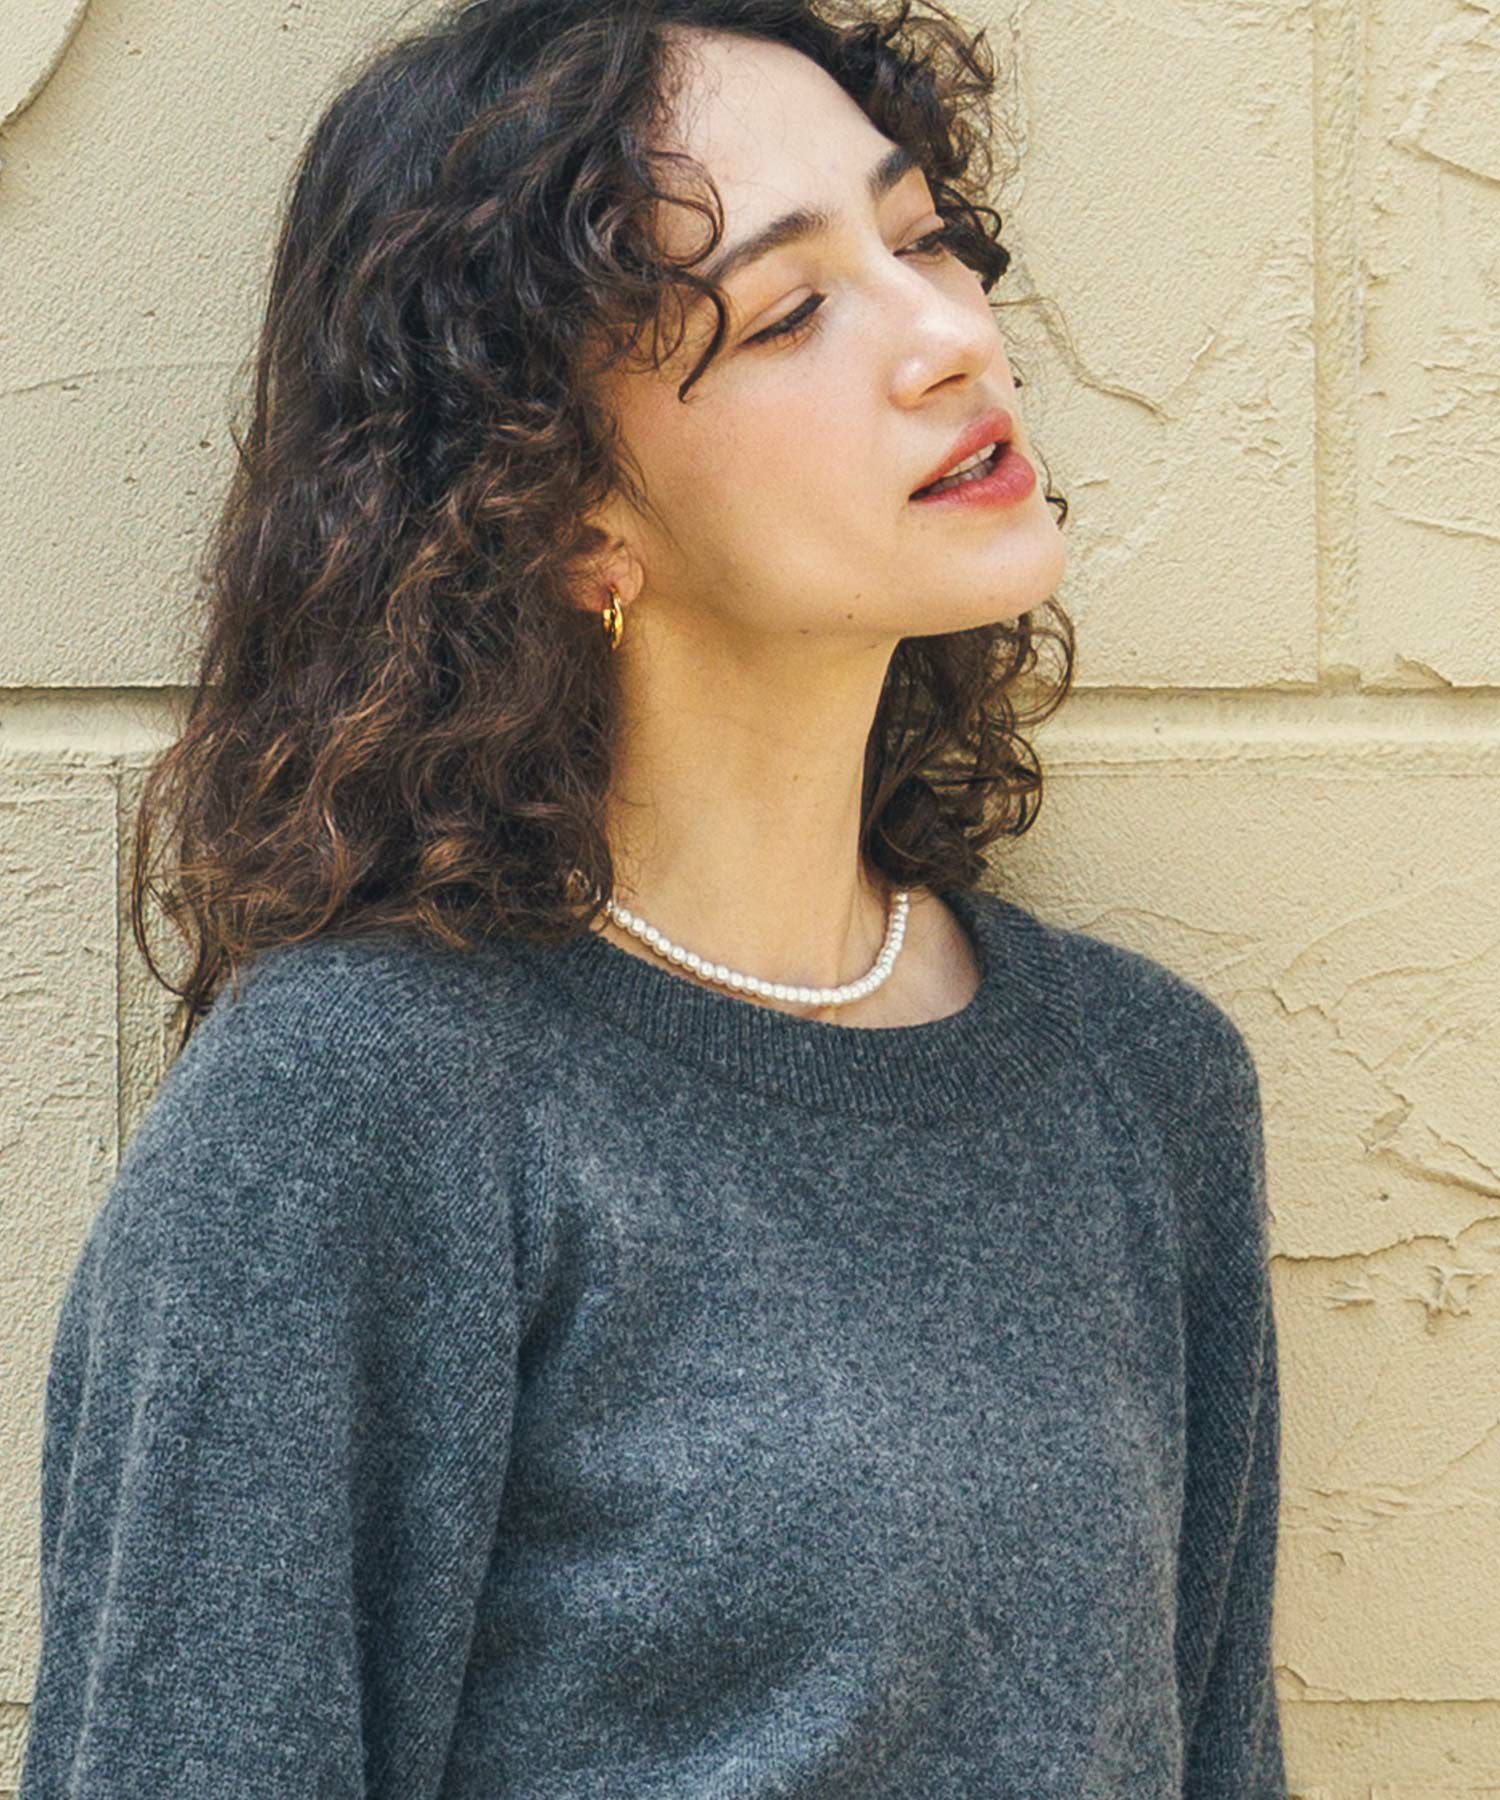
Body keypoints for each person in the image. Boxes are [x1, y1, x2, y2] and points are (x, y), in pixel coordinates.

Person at [18, 0, 1289, 1795]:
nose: (951, 338)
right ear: (563, 512)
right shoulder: (366, 1106)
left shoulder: (1143, 1085)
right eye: (789, 313)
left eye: (923, 237)